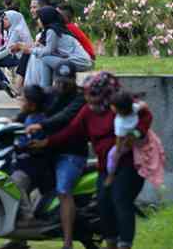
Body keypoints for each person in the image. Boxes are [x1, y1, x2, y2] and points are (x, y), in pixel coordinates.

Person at [32, 72, 153, 249]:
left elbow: (145, 116)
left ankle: (125, 244)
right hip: (105, 166)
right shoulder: (88, 110)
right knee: (104, 204)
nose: (88, 98)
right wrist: (47, 142)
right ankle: (111, 242)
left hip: (129, 164)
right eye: (87, 94)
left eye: (92, 94)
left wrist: (134, 134)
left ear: (105, 93)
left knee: (121, 201)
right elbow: (71, 131)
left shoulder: (120, 104)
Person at [25, 62, 88, 249]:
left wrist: (42, 126)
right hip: (48, 152)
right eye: (59, 81)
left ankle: (67, 242)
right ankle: (20, 238)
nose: (62, 86)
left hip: (71, 154)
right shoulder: (51, 94)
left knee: (63, 191)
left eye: (66, 82)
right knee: (23, 182)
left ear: (74, 80)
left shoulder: (80, 98)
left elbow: (65, 118)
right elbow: (33, 105)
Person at [10, 85, 53, 228]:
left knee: (15, 183)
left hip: (36, 166)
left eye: (23, 100)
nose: (20, 102)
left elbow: (31, 144)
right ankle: (18, 240)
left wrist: (22, 145)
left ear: (32, 105)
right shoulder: (27, 117)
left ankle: (29, 218)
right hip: (25, 163)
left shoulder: (39, 121)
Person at [106, 91, 165, 188]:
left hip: (130, 140)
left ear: (116, 109)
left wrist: (118, 150)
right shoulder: (134, 108)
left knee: (111, 155)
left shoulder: (120, 123)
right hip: (144, 136)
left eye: (111, 105)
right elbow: (144, 105)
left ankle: (110, 174)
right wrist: (141, 105)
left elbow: (119, 140)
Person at [25, 6, 92, 88]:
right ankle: (46, 88)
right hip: (80, 61)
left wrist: (30, 50)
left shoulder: (52, 31)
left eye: (39, 18)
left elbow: (47, 51)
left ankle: (45, 89)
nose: (38, 21)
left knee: (43, 57)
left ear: (46, 18)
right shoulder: (56, 29)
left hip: (80, 62)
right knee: (44, 57)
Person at [0, 10, 33, 92]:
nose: (3, 21)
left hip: (20, 58)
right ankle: (1, 81)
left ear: (13, 19)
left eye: (6, 19)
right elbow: (5, 46)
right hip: (15, 56)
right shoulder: (12, 29)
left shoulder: (16, 31)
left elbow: (8, 50)